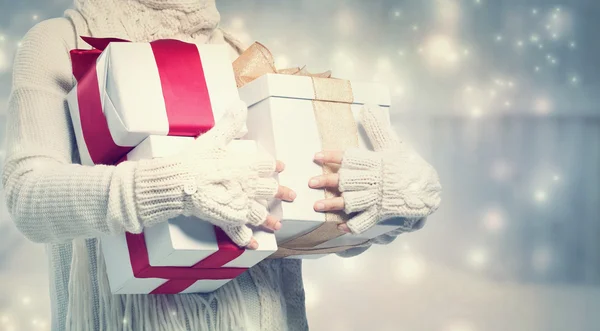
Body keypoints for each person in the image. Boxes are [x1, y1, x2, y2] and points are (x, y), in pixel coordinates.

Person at [1, 0, 442, 330]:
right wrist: (171, 186)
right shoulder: (57, 42)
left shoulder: (244, 55)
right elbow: (28, 198)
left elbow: (289, 222)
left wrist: (387, 209)